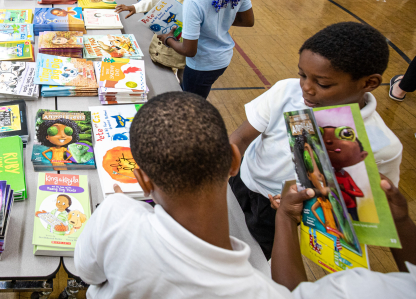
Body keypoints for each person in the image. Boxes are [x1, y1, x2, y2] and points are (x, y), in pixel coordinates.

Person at [73, 92, 294, 299]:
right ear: (234, 160)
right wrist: (285, 218)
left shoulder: (115, 216)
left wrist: (119, 205)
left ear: (142, 181)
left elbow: (88, 274)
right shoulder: (264, 293)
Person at [228, 22, 403, 259]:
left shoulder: (382, 145)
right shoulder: (285, 91)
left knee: (251, 258)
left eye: (322, 84)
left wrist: (302, 212)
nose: (306, 89)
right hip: (240, 179)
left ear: (369, 83)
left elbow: (364, 207)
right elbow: (239, 138)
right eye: (302, 75)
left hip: (278, 212)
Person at [273, 175, 416, 297]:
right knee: (338, 240)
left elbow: (288, 294)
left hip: (334, 224)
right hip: (329, 224)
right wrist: (400, 221)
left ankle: (338, 253)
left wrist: (286, 217)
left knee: (340, 240)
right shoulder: (322, 199)